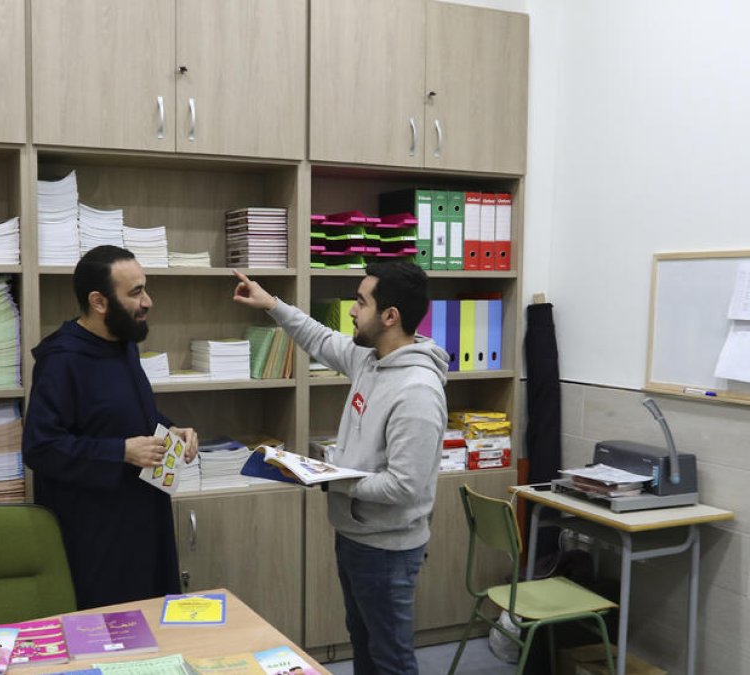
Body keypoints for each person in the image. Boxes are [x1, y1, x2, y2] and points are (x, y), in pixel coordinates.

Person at [232, 262, 447, 675]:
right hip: (355, 535)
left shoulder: (417, 391)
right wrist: (271, 304)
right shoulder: (370, 359)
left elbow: (405, 487)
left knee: (391, 658)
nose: (351, 309)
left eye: (361, 302)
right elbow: (319, 337)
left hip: (388, 549)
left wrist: (334, 480)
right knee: (363, 644)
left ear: (390, 316)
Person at [23, 245, 198, 609]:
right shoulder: (62, 360)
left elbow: (125, 414)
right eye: (136, 292)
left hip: (145, 516)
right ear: (99, 302)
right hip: (95, 532)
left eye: (145, 289)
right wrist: (120, 452)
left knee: (154, 617)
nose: (148, 301)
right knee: (110, 627)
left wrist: (171, 430)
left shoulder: (123, 343)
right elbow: (41, 447)